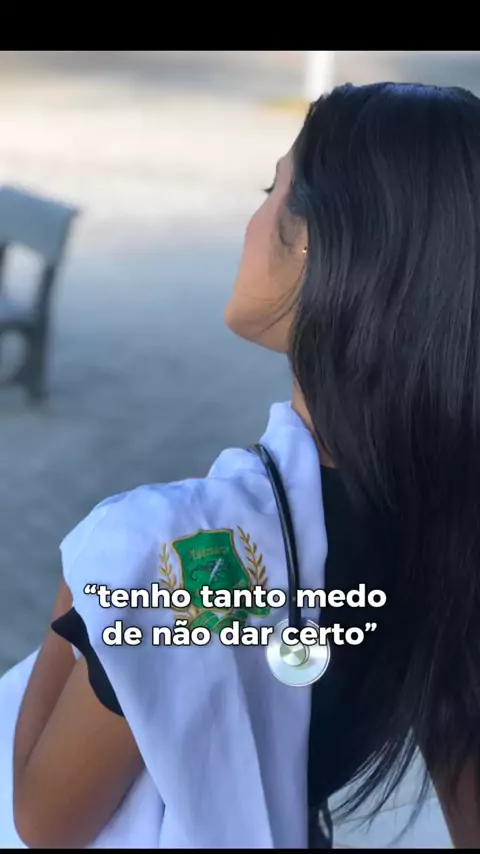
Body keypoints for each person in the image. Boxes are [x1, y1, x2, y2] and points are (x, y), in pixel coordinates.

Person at [1, 80, 479, 849]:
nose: (251, 221)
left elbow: (43, 820)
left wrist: (89, 574)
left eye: (269, 190)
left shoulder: (189, 548)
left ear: (314, 241)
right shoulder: (450, 518)